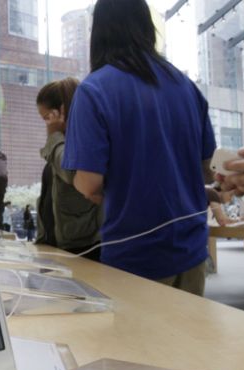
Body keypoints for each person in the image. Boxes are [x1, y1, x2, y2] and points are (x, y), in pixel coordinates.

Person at [62, 0, 215, 296]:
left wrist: (92, 189)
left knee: (137, 329)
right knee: (189, 327)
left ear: (99, 31)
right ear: (147, 26)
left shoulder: (94, 89)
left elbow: (89, 183)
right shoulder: (187, 86)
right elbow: (206, 169)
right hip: (192, 249)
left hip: (134, 256)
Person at [36, 78, 103, 260]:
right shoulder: (61, 144)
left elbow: (71, 171)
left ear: (60, 112)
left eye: (46, 118)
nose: (46, 125)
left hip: (82, 247)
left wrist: (54, 136)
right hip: (59, 244)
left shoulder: (80, 143)